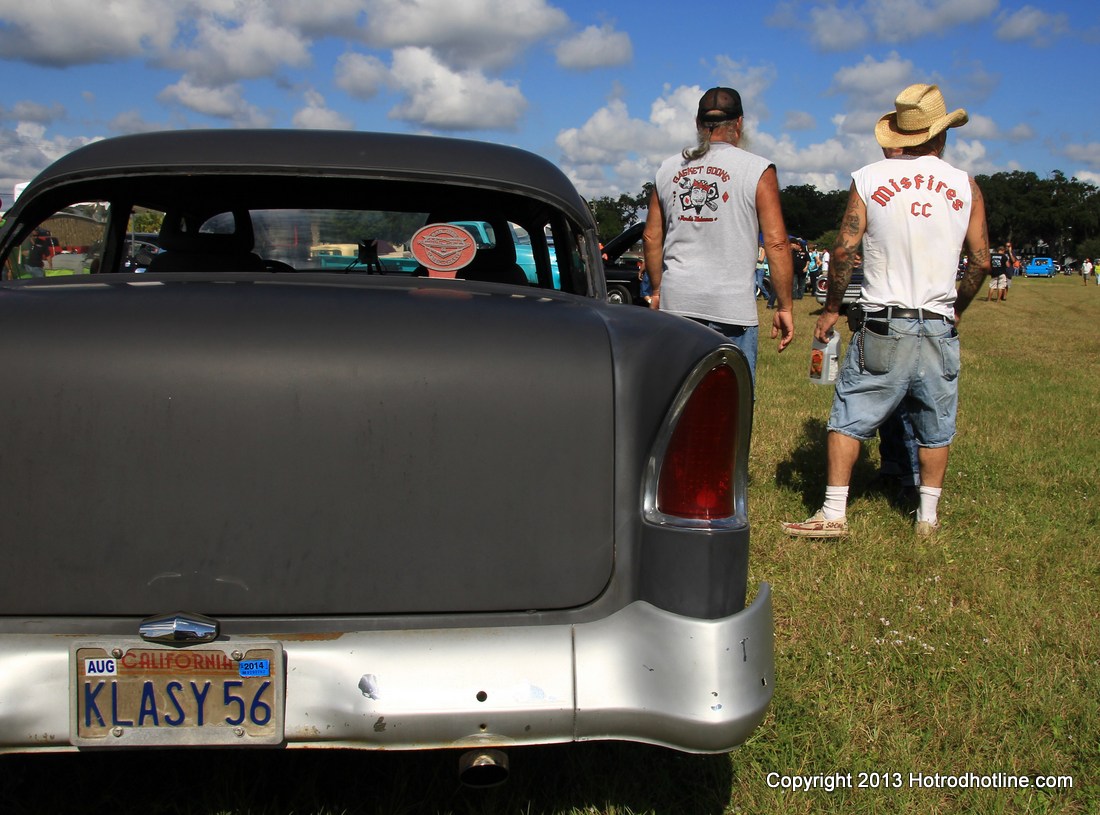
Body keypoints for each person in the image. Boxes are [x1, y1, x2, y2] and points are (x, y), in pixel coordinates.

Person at [782, 83, 991, 538]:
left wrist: (831, 308)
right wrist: (956, 309)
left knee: (850, 414)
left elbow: (843, 249)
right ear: (940, 136)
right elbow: (981, 261)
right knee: (936, 425)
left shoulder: (870, 177)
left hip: (883, 324)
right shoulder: (965, 185)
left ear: (901, 133)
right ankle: (927, 519)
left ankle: (834, 512)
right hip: (937, 325)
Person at [644, 86, 795, 385]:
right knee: (731, 406)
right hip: (731, 310)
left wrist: (659, 291)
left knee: (676, 398)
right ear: (739, 123)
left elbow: (651, 237)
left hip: (678, 305)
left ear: (699, 124)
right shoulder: (758, 169)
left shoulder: (668, 169)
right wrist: (785, 306)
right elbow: (776, 243)